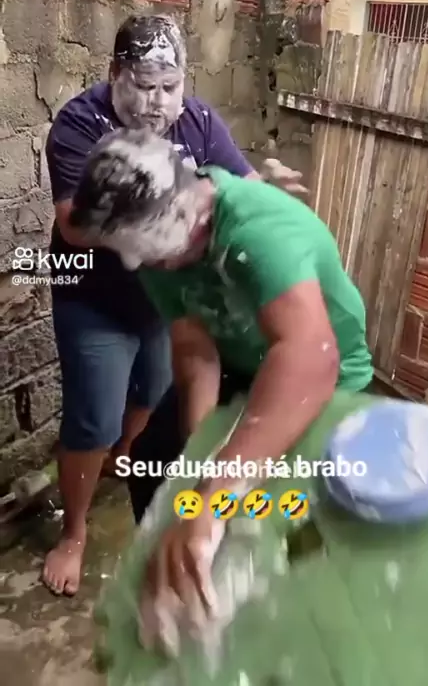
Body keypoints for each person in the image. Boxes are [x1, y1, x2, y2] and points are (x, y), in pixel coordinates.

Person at [67, 126, 373, 636]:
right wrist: (202, 455)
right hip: (240, 362)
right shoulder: (154, 243)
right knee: (154, 464)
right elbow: (193, 348)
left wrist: (217, 494)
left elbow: (309, 358)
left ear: (189, 216)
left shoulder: (260, 230)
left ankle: (290, 616)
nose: (135, 263)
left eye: (144, 252)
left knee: (297, 505)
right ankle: (183, 578)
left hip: (326, 373)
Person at [43, 13, 304, 597]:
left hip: (168, 302)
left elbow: (238, 187)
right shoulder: (80, 123)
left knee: (150, 396)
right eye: (144, 85)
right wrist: (166, 206)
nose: (157, 102)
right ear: (115, 74)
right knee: (94, 418)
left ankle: (124, 460)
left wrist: (265, 189)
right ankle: (75, 533)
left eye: (170, 86)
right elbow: (75, 227)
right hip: (93, 296)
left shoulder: (198, 121)